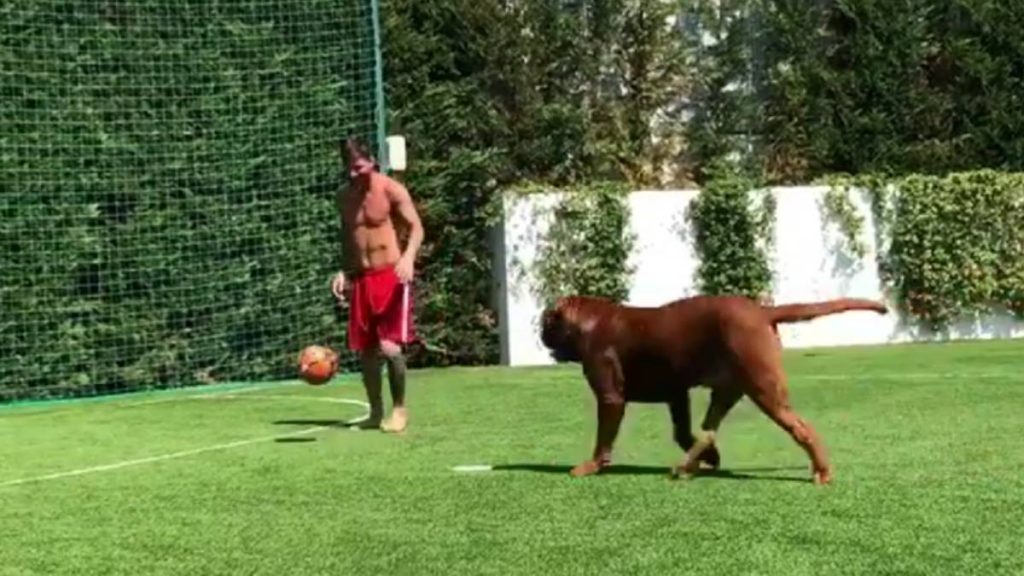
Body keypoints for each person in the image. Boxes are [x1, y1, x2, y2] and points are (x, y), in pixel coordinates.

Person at [331, 136, 424, 433]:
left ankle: (399, 409)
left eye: (359, 166)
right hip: (362, 278)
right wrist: (344, 271)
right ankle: (375, 411)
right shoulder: (344, 197)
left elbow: (416, 227)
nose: (354, 173)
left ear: (372, 162)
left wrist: (408, 258)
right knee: (368, 351)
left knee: (390, 347)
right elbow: (348, 238)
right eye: (349, 167)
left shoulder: (390, 189)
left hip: (391, 275)